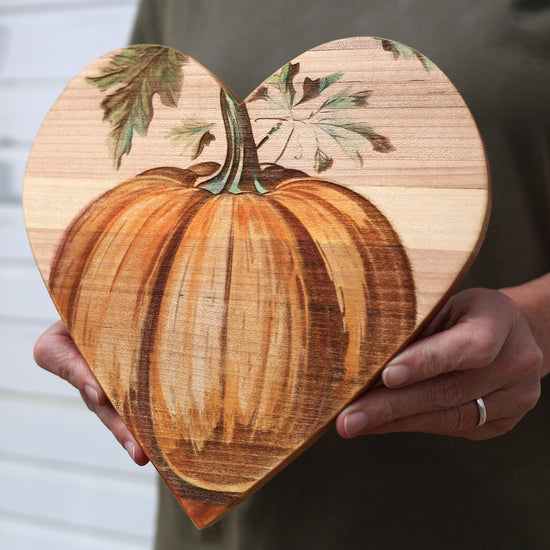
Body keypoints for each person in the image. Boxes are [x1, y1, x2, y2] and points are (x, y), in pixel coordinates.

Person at [34, 1, 550, 548]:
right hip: (233, 528)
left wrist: (535, 324)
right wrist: (101, 306)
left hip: (483, 514)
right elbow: (126, 191)